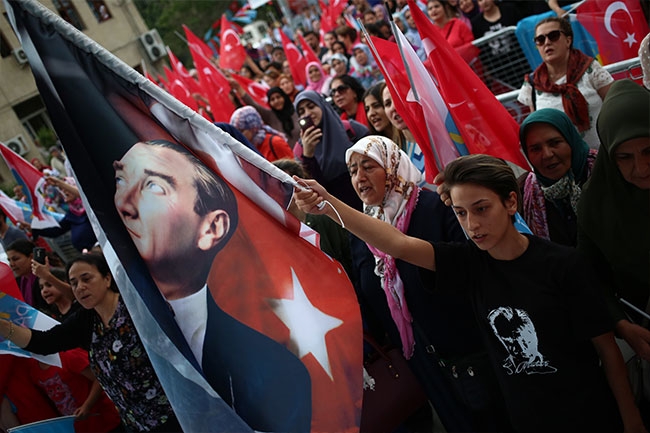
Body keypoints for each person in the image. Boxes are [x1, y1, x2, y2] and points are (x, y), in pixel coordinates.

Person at [293, 153, 647, 433]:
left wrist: (631, 420)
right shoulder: (468, 263)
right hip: (527, 420)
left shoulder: (563, 264)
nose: (473, 224)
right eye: (461, 213)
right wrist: (328, 206)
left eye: (482, 209)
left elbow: (607, 350)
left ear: (510, 202)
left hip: (589, 412)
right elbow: (396, 243)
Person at [112, 139, 311, 432]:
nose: (124, 203)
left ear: (211, 228)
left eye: (153, 186)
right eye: (119, 179)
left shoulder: (276, 369)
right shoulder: (124, 334)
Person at [346, 136, 511, 432]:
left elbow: (470, 271)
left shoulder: (434, 208)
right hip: (424, 365)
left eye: (368, 166)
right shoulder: (362, 235)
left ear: (392, 166)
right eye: (353, 170)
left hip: (472, 352)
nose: (359, 177)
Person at [0, 253, 182, 432]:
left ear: (107, 279)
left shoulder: (137, 308)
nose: (80, 287)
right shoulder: (86, 320)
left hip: (177, 416)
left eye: (86, 279)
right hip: (136, 423)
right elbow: (42, 343)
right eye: (74, 283)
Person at [577, 80, 650, 419]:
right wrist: (621, 324)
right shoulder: (596, 205)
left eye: (649, 151)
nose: (641, 168)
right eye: (624, 156)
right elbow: (591, 278)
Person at [517, 17, 614, 149]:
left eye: (553, 36)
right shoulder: (532, 83)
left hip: (604, 152)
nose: (547, 42)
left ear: (568, 40)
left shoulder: (591, 69)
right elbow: (537, 128)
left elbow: (615, 107)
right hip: (564, 163)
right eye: (540, 40)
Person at [517, 108, 597, 246]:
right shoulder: (524, 191)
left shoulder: (603, 172)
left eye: (555, 143)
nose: (547, 154)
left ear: (571, 140)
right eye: (536, 149)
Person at [294, 90, 368, 210]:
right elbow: (314, 193)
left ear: (322, 106)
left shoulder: (351, 129)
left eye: (311, 106)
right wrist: (308, 156)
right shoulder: (300, 150)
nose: (307, 113)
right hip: (341, 214)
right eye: (301, 112)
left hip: (371, 199)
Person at [26, 347, 123, 433]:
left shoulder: (68, 355)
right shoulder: (33, 369)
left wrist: (87, 405)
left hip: (106, 420)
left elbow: (99, 378)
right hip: (82, 427)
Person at [27, 176, 97, 254]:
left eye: (67, 188)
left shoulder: (91, 207)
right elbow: (56, 231)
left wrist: (58, 183)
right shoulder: (72, 213)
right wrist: (34, 228)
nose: (64, 192)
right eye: (61, 190)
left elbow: (83, 195)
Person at [382, 85, 426, 175]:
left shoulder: (440, 139)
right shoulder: (393, 156)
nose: (393, 107)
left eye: (397, 98)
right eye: (388, 104)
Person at [229, 106, 294, 162]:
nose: (238, 135)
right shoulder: (246, 151)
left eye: (241, 131)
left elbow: (294, 168)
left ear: (253, 127)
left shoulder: (275, 142)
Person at [6, 239, 48, 311]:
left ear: (31, 257)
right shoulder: (19, 281)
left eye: (15, 259)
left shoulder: (45, 279)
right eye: (9, 260)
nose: (11, 264)